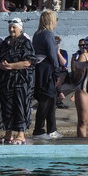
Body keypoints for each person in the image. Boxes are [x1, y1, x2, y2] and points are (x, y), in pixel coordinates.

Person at [0, 16, 35, 144]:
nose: (11, 29)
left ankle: (21, 135)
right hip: (6, 81)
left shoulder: (25, 42)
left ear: (20, 29)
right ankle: (8, 134)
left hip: (21, 81)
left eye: (14, 27)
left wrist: (11, 66)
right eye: (10, 27)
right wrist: (0, 65)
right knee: (6, 107)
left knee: (20, 106)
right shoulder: (5, 42)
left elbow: (28, 62)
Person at [32, 10, 65, 139]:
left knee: (50, 100)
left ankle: (52, 129)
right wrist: (57, 73)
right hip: (47, 69)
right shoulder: (48, 34)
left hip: (39, 69)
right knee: (46, 100)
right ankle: (38, 130)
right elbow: (52, 55)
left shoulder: (37, 34)